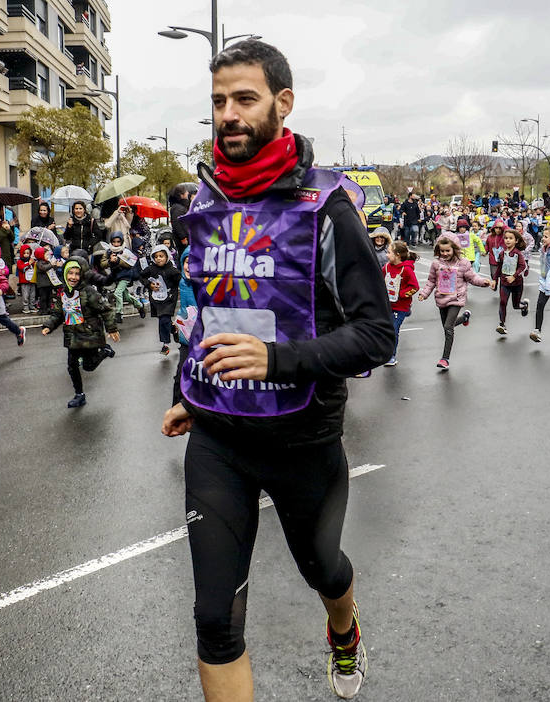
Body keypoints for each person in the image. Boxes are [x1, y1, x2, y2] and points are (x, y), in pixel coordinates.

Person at [159, 39, 394, 701]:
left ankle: (344, 629)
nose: (227, 114)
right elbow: (212, 306)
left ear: (282, 104)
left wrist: (279, 360)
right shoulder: (203, 204)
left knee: (323, 569)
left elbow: (376, 334)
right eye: (217, 102)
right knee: (214, 620)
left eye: (244, 99)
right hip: (218, 440)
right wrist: (189, 385)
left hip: (302, 441)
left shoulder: (328, 209)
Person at [41, 256, 119, 408]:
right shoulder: (62, 292)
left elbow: (106, 309)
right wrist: (49, 325)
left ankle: (104, 351)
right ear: (65, 274)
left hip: (89, 335)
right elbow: (58, 313)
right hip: (72, 336)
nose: (73, 277)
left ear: (82, 275)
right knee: (72, 366)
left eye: (77, 273)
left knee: (88, 367)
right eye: (70, 273)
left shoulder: (89, 292)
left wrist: (111, 328)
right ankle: (79, 394)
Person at [418, 234, 490, 369]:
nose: (444, 253)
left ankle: (445, 359)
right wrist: (424, 293)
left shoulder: (463, 263)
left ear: (455, 249)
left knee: (447, 328)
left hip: (456, 299)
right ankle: (464, 318)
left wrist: (483, 282)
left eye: (448, 251)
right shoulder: (436, 264)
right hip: (441, 298)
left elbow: (472, 277)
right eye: (442, 251)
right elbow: (431, 281)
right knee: (446, 325)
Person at [382, 240, 419, 367]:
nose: (387, 255)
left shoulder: (407, 270)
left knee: (393, 329)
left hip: (400, 306)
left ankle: (391, 356)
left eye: (389, 253)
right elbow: (380, 281)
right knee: (385, 328)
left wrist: (401, 294)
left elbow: (414, 287)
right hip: (388, 305)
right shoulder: (386, 267)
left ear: (397, 255)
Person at [139, 244, 180, 355]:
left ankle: (165, 345)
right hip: (156, 300)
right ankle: (173, 329)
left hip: (169, 299)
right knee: (164, 320)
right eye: (156, 256)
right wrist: (149, 284)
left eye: (161, 256)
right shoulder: (151, 269)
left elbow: (181, 280)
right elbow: (141, 276)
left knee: (163, 320)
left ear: (167, 256)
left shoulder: (172, 270)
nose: (158, 258)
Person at [171, 247, 196, 405]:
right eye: (187, 262)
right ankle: (176, 410)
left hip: (206, 339)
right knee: (181, 375)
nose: (189, 266)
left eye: (195, 262)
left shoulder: (208, 284)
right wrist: (178, 322)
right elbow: (184, 310)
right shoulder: (183, 282)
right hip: (187, 339)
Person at [101, 232, 145, 323]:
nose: (116, 244)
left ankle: (119, 313)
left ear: (121, 242)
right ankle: (139, 306)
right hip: (115, 276)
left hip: (125, 276)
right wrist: (110, 261)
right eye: (114, 242)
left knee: (117, 293)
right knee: (126, 296)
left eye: (118, 242)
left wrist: (118, 261)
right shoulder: (108, 251)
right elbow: (102, 263)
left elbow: (130, 263)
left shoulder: (125, 251)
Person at [494, 228, 529, 335]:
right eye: (506, 238)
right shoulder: (502, 254)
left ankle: (524, 305)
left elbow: (523, 266)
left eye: (510, 238)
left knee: (516, 305)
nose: (507, 240)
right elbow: (499, 268)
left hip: (517, 284)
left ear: (516, 241)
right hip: (504, 283)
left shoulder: (518, 254)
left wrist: (514, 276)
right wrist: (495, 280)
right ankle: (502, 324)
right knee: (502, 302)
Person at [169, 186, 192, 255]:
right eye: (186, 191)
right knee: (184, 255)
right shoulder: (178, 208)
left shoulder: (181, 206)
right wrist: (183, 237)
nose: (188, 193)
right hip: (183, 239)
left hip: (185, 237)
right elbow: (176, 223)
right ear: (181, 195)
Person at [16, 243, 38, 313]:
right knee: (25, 295)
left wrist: (34, 263)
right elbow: (21, 268)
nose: (26, 254)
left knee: (32, 294)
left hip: (32, 280)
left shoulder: (32, 260)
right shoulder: (20, 261)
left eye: (28, 253)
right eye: (24, 253)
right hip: (24, 281)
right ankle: (25, 306)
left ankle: (32, 305)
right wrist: (28, 263)